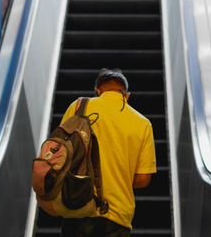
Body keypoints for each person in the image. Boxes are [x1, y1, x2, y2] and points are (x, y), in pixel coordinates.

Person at [59, 68, 157, 237]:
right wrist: (118, 177)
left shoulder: (78, 107)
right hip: (117, 214)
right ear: (126, 96)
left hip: (78, 205)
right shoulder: (143, 124)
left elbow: (59, 155)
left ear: (97, 91)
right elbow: (143, 179)